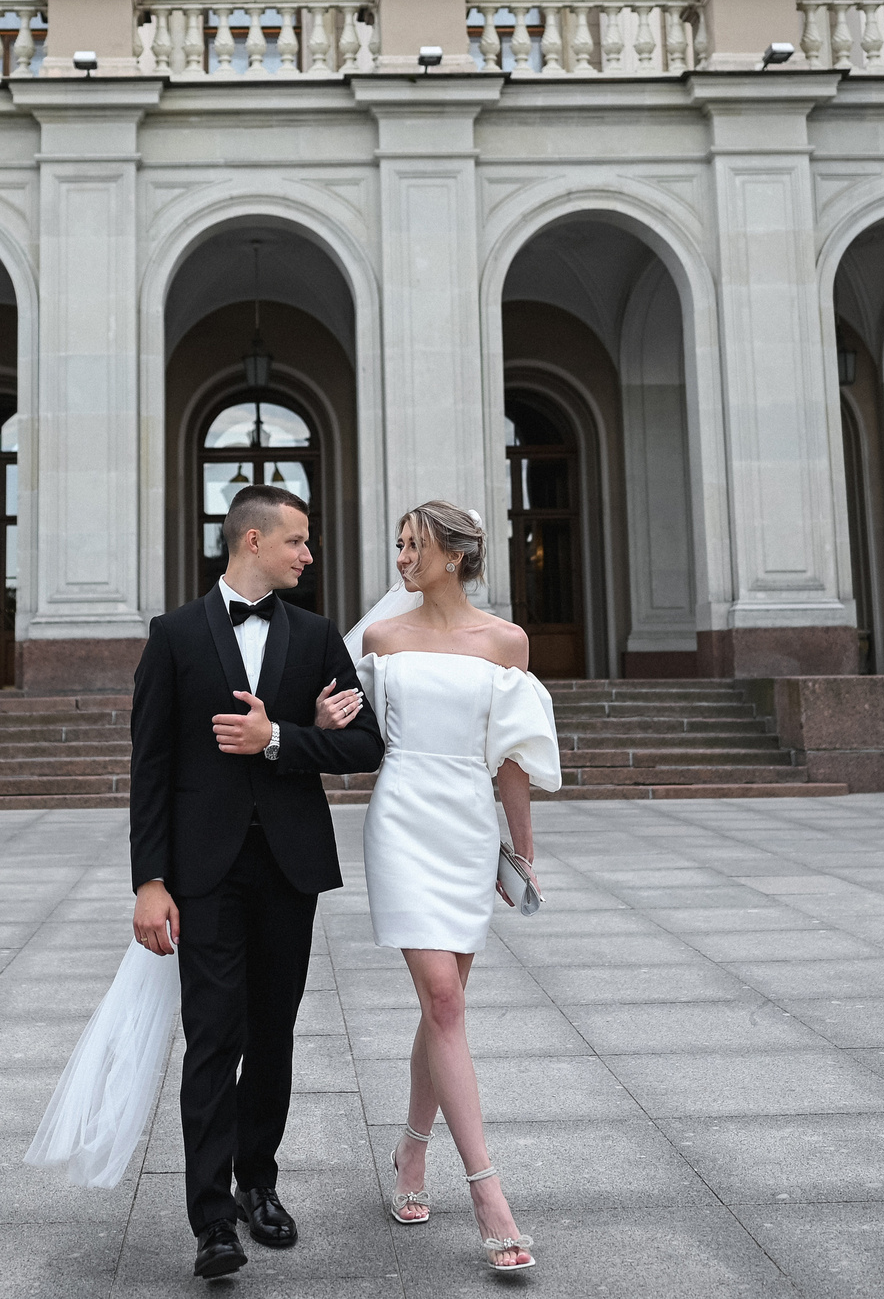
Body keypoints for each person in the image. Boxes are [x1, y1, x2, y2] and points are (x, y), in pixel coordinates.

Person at [128, 482, 385, 1280]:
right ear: (252, 540)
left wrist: (282, 738)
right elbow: (151, 766)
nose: (308, 553)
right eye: (297, 540)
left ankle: (257, 1183)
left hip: (288, 866)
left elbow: (366, 746)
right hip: (203, 872)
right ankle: (211, 1219)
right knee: (214, 1036)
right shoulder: (173, 635)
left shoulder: (316, 635)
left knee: (273, 1033)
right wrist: (149, 880)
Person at [327, 500, 560, 1274]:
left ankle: (411, 1149)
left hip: (466, 824)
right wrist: (325, 719)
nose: (401, 558)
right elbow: (357, 737)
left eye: (414, 545)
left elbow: (512, 756)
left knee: (444, 1006)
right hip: (400, 820)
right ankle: (490, 1193)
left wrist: (522, 850)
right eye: (397, 544)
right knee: (445, 1001)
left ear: (455, 554)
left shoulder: (506, 641)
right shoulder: (381, 638)